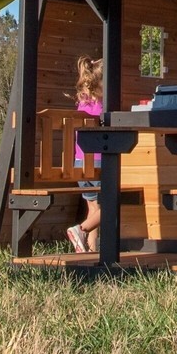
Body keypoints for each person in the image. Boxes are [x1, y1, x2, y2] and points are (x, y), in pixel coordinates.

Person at [66, 56, 104, 253]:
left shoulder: (82, 104)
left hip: (79, 163)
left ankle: (90, 250)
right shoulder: (104, 106)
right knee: (111, 202)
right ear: (101, 83)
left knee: (93, 209)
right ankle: (81, 229)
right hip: (98, 162)